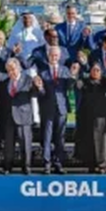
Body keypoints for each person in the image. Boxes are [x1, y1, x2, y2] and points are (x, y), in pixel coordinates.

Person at [35, 46, 75, 174]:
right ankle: (47, 164)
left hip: (61, 108)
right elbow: (40, 94)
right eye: (52, 55)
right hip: (47, 108)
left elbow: (69, 87)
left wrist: (73, 76)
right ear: (48, 56)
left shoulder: (65, 70)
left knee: (60, 138)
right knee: (47, 137)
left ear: (59, 57)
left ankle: (58, 163)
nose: (54, 58)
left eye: (56, 55)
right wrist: (40, 88)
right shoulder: (42, 72)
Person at [74, 58, 106, 174]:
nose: (96, 72)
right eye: (94, 70)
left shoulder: (104, 82)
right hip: (87, 117)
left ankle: (102, 164)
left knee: (102, 142)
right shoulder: (86, 82)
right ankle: (91, 164)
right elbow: (77, 85)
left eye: (98, 70)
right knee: (89, 141)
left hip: (101, 117)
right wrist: (74, 74)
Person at [0, 58, 37, 174]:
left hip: (24, 117)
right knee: (8, 145)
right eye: (8, 70)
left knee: (25, 144)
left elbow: (37, 93)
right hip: (8, 118)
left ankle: (26, 167)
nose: (11, 73)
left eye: (12, 69)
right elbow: (1, 101)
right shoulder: (4, 83)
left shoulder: (28, 80)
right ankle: (7, 167)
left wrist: (38, 86)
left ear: (18, 68)